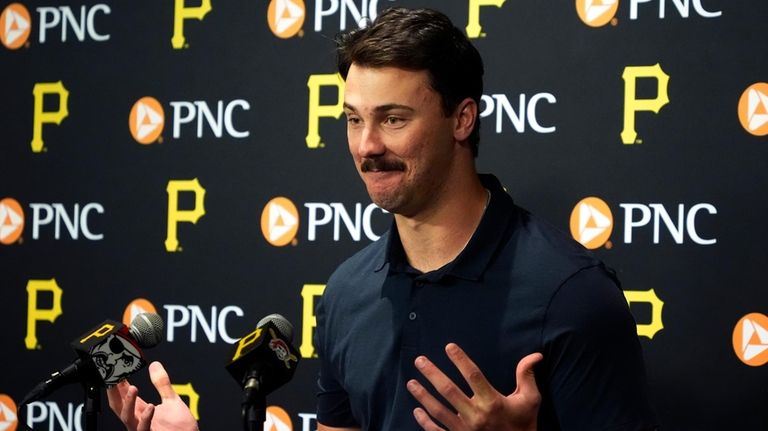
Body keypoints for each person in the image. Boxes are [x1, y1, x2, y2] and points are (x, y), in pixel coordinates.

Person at [108, 6, 657, 431]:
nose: (366, 146)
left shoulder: (571, 295)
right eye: (353, 119)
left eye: (393, 119)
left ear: (461, 119)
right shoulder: (347, 293)